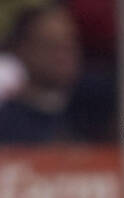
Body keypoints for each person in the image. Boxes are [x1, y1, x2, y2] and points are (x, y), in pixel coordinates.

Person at [0, 1, 111, 145]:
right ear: (21, 49)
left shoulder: (100, 102)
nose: (63, 55)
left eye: (70, 44)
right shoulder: (7, 123)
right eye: (51, 46)